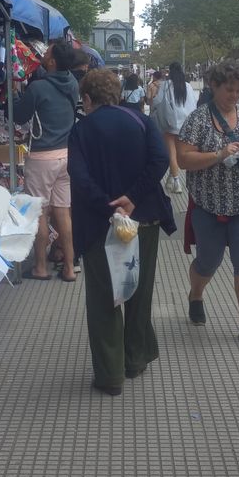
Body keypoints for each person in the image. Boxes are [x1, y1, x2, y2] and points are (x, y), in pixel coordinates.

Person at [68, 70, 176, 395]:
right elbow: (160, 161)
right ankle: (136, 360)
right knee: (138, 292)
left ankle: (110, 376)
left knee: (104, 298)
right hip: (144, 220)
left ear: (87, 99)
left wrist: (109, 206)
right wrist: (133, 197)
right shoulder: (142, 122)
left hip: (100, 226)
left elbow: (79, 176)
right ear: (115, 94)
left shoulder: (80, 131)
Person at [177, 60, 239, 347]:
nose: (234, 95)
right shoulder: (197, 120)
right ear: (214, 86)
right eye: (229, 90)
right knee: (209, 261)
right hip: (207, 204)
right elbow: (184, 158)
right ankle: (196, 294)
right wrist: (218, 154)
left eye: (238, 90)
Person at [13, 43, 82, 280]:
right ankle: (70, 267)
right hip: (66, 155)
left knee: (40, 212)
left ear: (52, 62)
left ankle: (40, 267)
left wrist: (13, 93)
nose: (43, 54)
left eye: (47, 52)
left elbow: (18, 115)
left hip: (42, 157)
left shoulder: (38, 88)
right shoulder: (73, 83)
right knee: (63, 212)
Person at [150, 62, 198, 194]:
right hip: (186, 122)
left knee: (172, 152)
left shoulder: (166, 85)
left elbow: (157, 101)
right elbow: (194, 103)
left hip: (170, 122)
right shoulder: (187, 86)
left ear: (170, 72)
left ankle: (176, 181)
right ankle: (171, 179)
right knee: (178, 151)